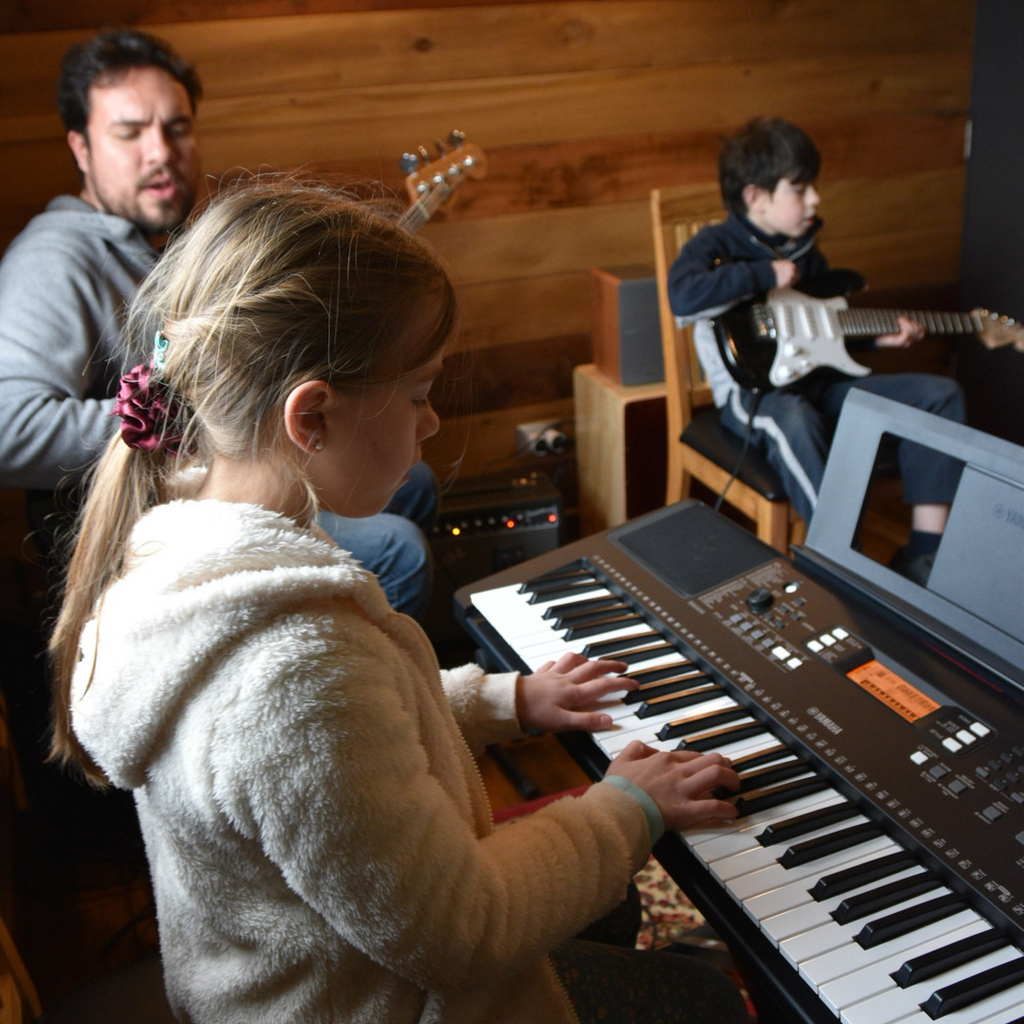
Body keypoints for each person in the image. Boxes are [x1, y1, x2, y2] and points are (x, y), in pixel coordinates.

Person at [47, 177, 749, 1024]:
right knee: (702, 1000)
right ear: (312, 417)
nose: (432, 425)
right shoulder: (289, 668)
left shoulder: (183, 548)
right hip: (369, 1004)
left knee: (609, 905)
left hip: (302, 968)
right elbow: (465, 929)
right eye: (417, 395)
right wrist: (627, 809)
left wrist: (505, 699)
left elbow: (348, 757)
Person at [0, 28, 436, 619]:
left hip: (224, 478)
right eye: (129, 133)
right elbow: (10, 428)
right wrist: (191, 413)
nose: (159, 152)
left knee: (416, 479)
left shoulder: (175, 241)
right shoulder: (53, 261)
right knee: (398, 551)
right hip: (146, 525)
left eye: (176, 128)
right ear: (80, 149)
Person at [667, 116, 966, 584]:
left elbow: (822, 329)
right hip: (755, 398)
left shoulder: (807, 250)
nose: (815, 199)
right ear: (756, 197)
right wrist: (766, 275)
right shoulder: (715, 245)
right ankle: (844, 565)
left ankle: (924, 556)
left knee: (939, 394)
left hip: (820, 384)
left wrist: (874, 338)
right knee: (795, 420)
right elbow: (682, 296)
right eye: (801, 188)